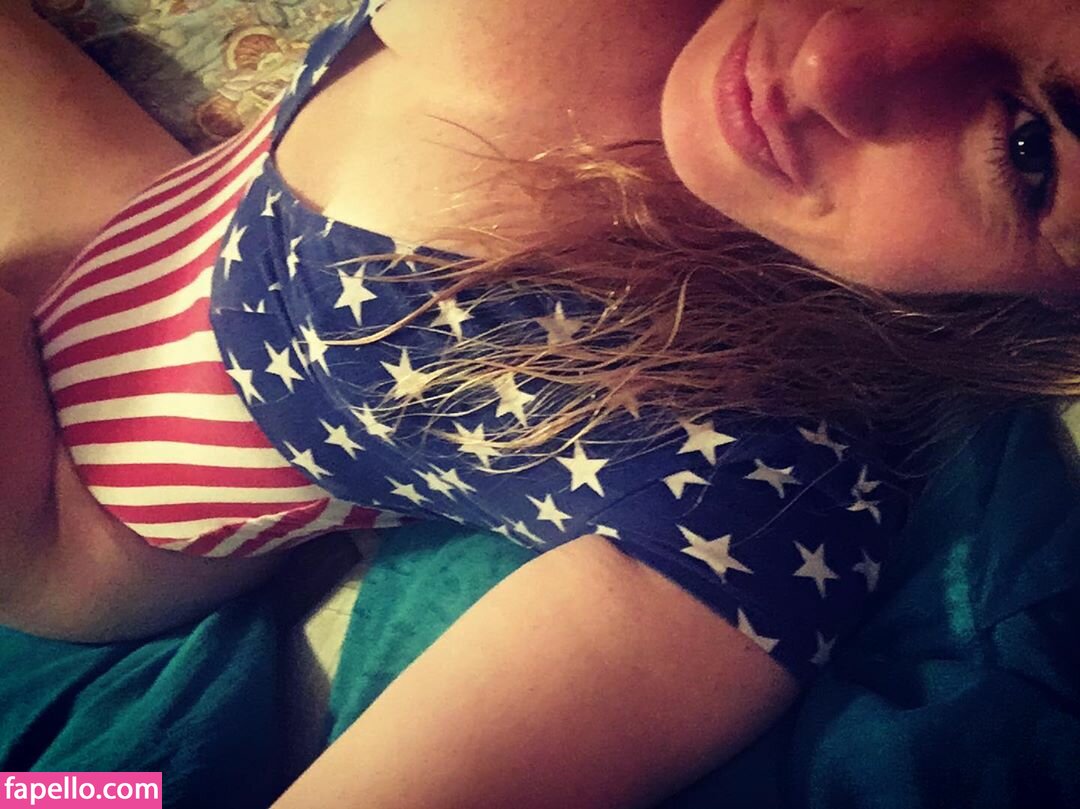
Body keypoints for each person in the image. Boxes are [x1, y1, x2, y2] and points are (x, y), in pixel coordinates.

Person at [1, 0, 1077, 806]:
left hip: (77, 507)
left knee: (53, 793)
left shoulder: (761, 493)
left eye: (1029, 147)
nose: (832, 53)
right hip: (137, 219)